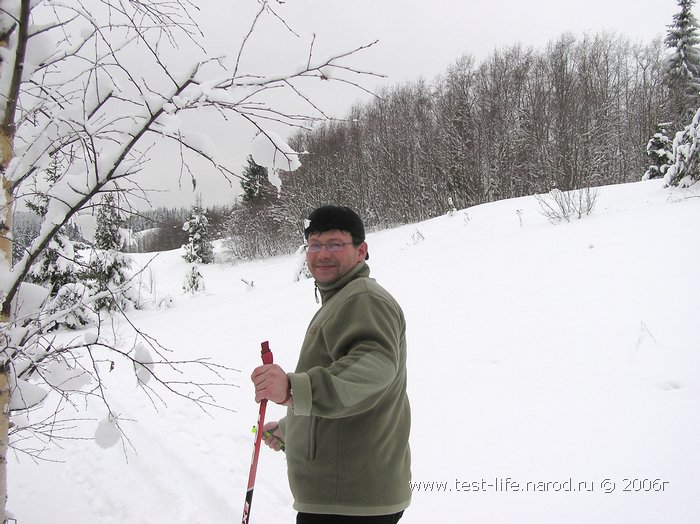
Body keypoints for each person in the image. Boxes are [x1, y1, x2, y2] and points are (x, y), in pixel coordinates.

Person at [251, 205, 411, 524]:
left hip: (349, 501)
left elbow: (374, 368)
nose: (322, 254)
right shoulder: (343, 298)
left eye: (335, 244)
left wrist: (293, 389)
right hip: (343, 496)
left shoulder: (362, 299)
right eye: (315, 244)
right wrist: (289, 429)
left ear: (361, 250)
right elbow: (343, 389)